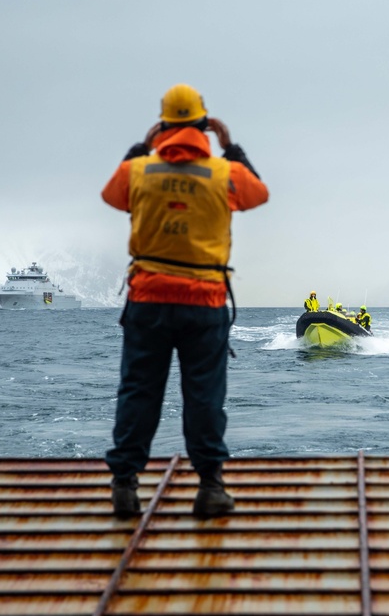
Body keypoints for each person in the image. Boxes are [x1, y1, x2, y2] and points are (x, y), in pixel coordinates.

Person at [102, 83, 269, 519]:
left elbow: (112, 195)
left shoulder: (140, 170)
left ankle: (125, 487)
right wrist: (231, 147)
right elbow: (259, 194)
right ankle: (211, 487)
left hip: (148, 301)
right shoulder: (222, 172)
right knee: (204, 397)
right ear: (203, 125)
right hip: (204, 303)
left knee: (139, 391)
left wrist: (141, 145)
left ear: (163, 128)